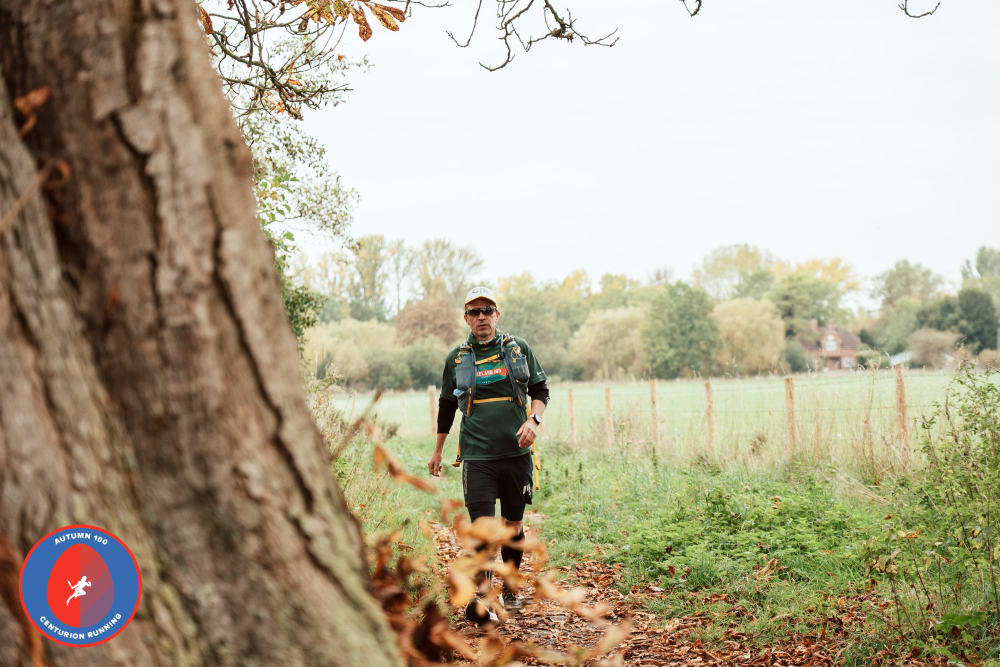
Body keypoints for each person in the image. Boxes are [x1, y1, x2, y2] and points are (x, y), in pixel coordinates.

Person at [427, 286, 549, 622]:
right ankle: (483, 598)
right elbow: (447, 405)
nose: (481, 317)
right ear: (466, 318)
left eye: (487, 310)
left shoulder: (518, 349)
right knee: (482, 528)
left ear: (497, 314)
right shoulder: (456, 358)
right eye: (474, 312)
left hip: (516, 454)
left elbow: (540, 390)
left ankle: (510, 587)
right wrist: (437, 450)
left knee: (512, 525)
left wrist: (534, 420)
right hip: (477, 456)